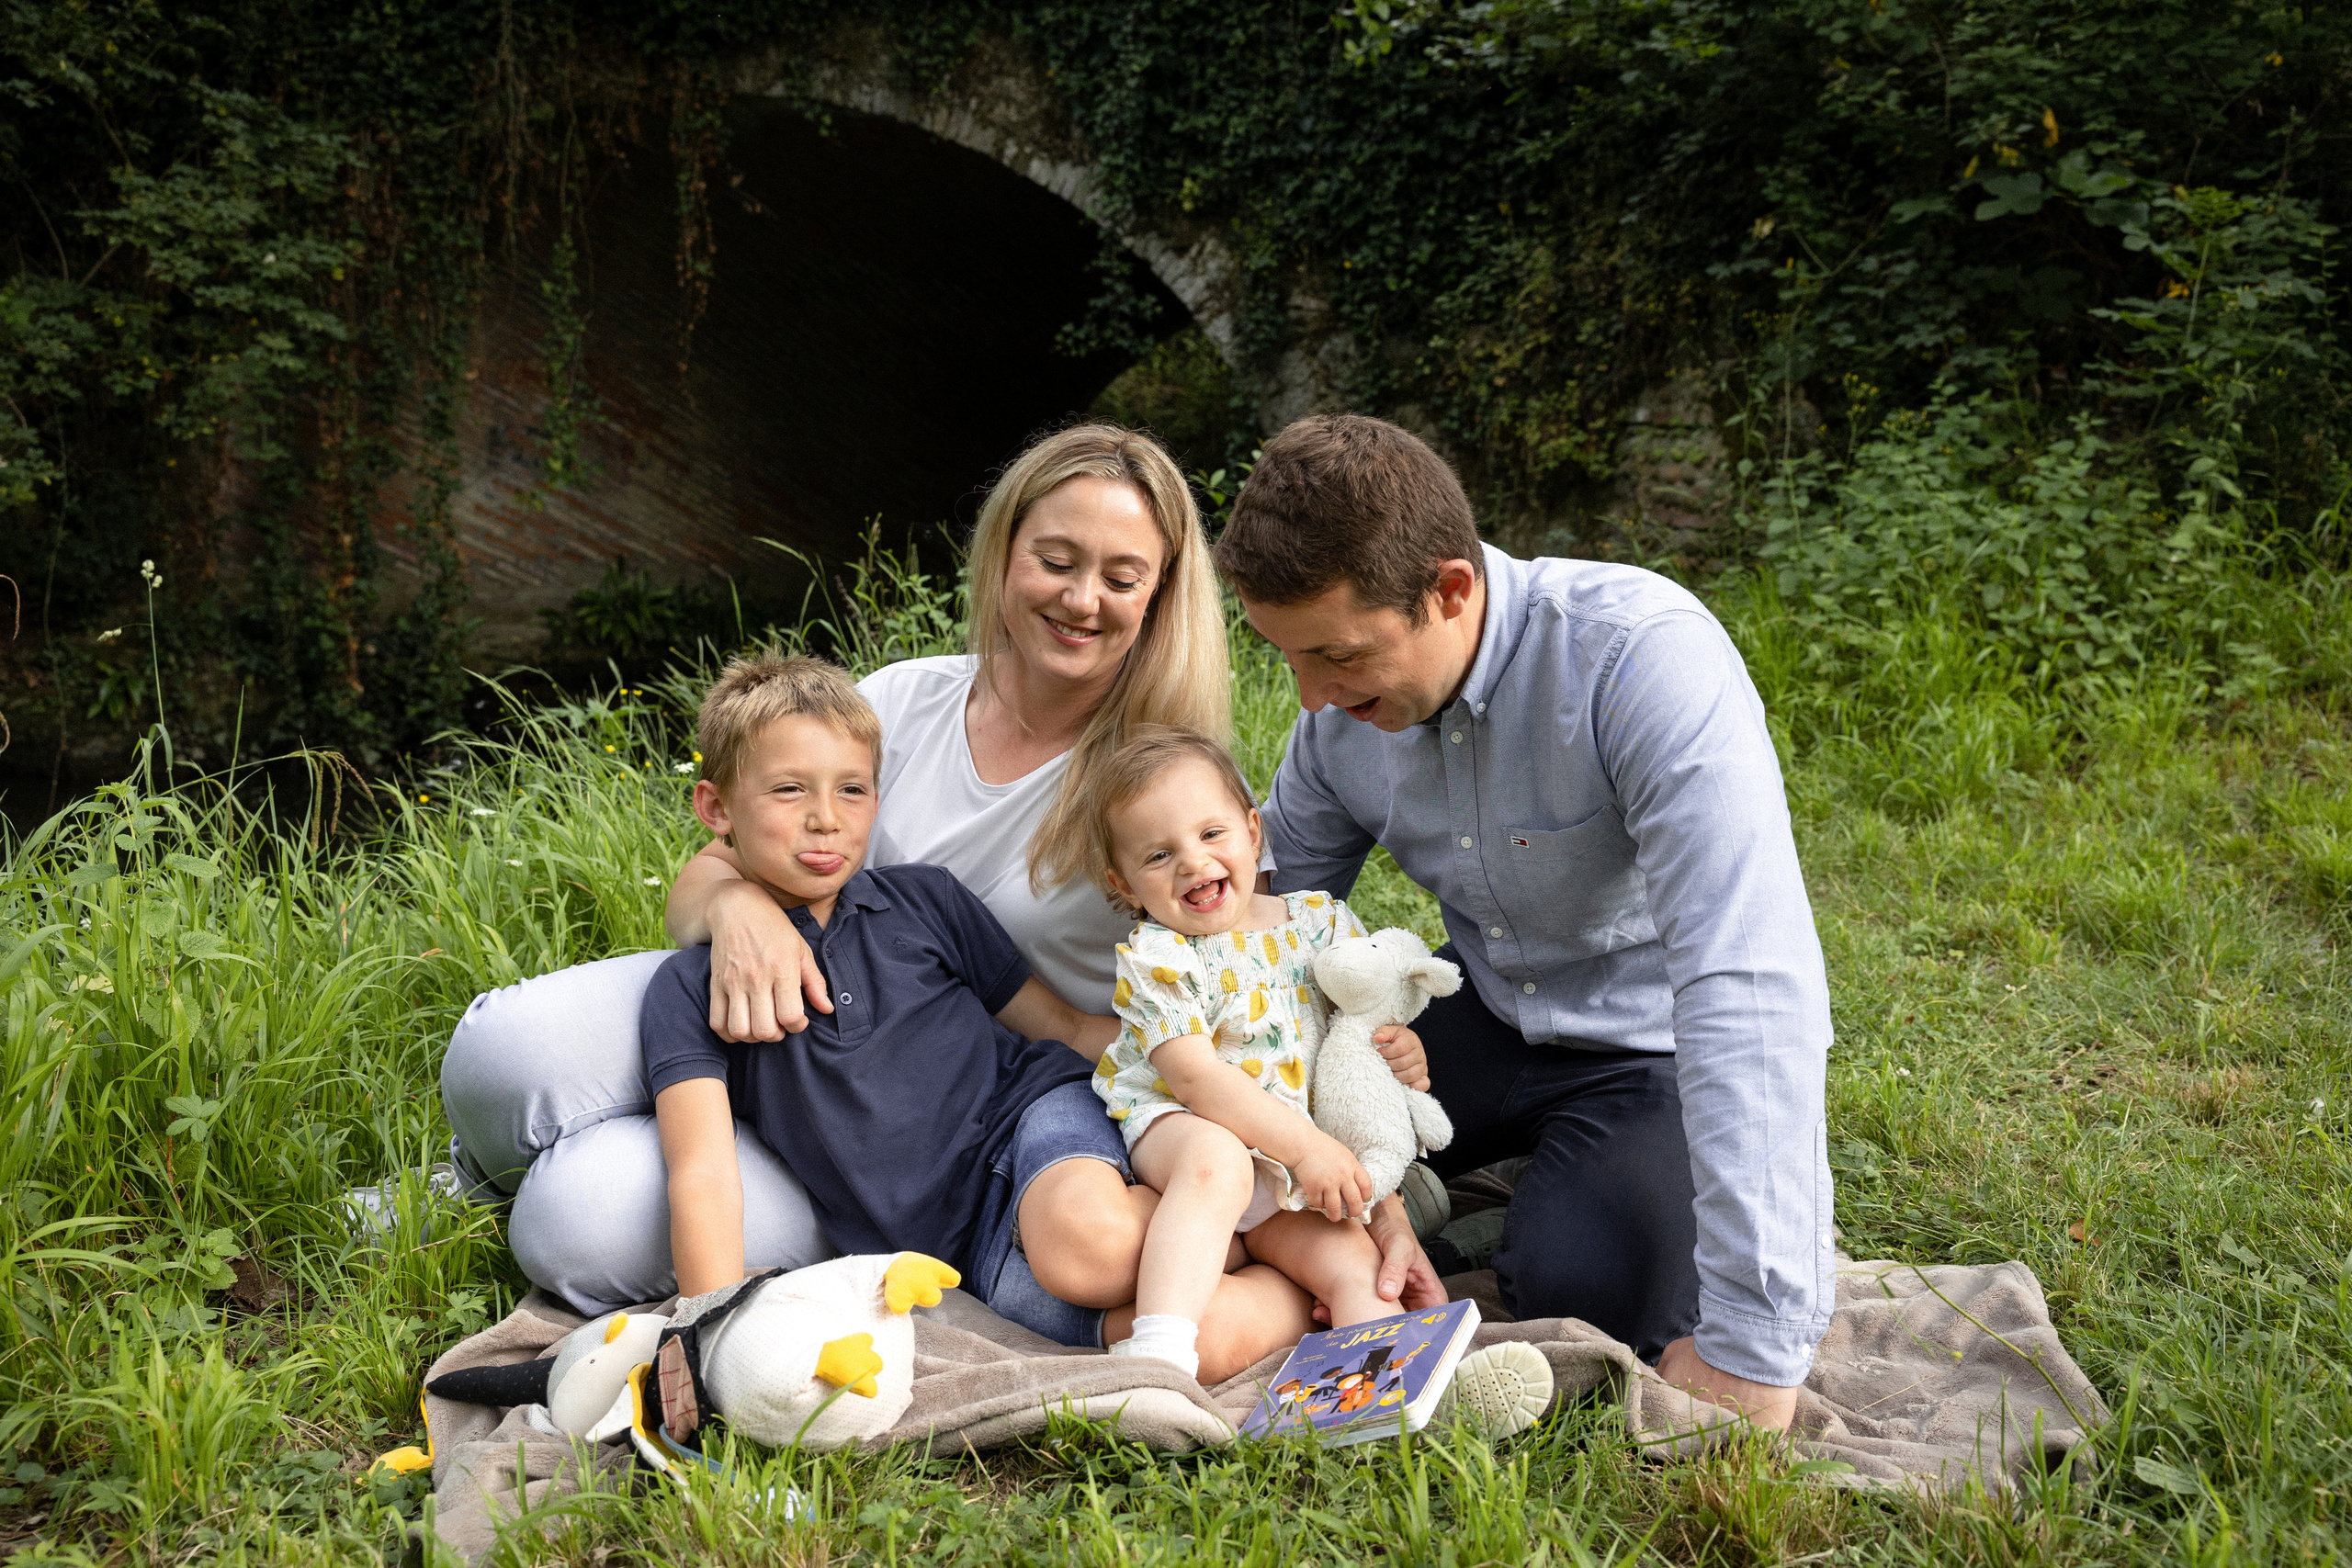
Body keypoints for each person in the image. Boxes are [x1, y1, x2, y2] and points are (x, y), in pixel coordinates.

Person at [441, 423, 1413, 1353]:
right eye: (1055, 559)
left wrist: (1364, 1172)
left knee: (576, 1227)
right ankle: (458, 1179)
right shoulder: (902, 699)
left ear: (1160, 600)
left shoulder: (1166, 790)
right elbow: (729, 848)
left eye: (1122, 578)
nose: (1081, 598)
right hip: (775, 1013)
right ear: (1003, 557)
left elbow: (1272, 988)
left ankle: (1230, 1267)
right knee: (502, 1053)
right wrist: (736, 906)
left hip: (966, 1115)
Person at [1214, 413, 1836, 1429]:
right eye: (1286, 658)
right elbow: (1263, 931)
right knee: (1248, 1168)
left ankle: (1530, 1198)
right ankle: (1432, 1195)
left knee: (1588, 1291)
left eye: (1335, 655)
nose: (1312, 699)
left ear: (1449, 590)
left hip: (1646, 1047)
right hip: (1479, 1013)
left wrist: (1759, 1345)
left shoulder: (1640, 658)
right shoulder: (1335, 719)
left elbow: (1746, 980)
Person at [645, 653, 1190, 1356]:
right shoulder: (691, 989)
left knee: (1099, 1250)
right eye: (788, 790)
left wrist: (1213, 1077)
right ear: (716, 808)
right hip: (959, 1262)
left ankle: (1243, 1212)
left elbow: (1064, 1027)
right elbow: (703, 1171)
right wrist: (704, 1338)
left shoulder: (924, 900)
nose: (824, 819)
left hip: (1029, 1126)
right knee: (1221, 1328)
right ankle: (1292, 1280)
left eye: (852, 789)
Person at [1079, 726, 1395, 1377]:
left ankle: (1375, 1397)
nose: (1193, 863)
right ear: (1126, 883)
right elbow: (1195, 1078)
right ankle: (1158, 1358)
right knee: (1217, 1163)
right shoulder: (1158, 956)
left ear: (1254, 831)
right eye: (1159, 856)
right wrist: (1305, 1148)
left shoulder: (1320, 923)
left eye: (1210, 834)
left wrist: (1401, 1045)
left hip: (1291, 1169)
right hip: (1184, 1124)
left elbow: (1361, 1021)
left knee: (1357, 1264)